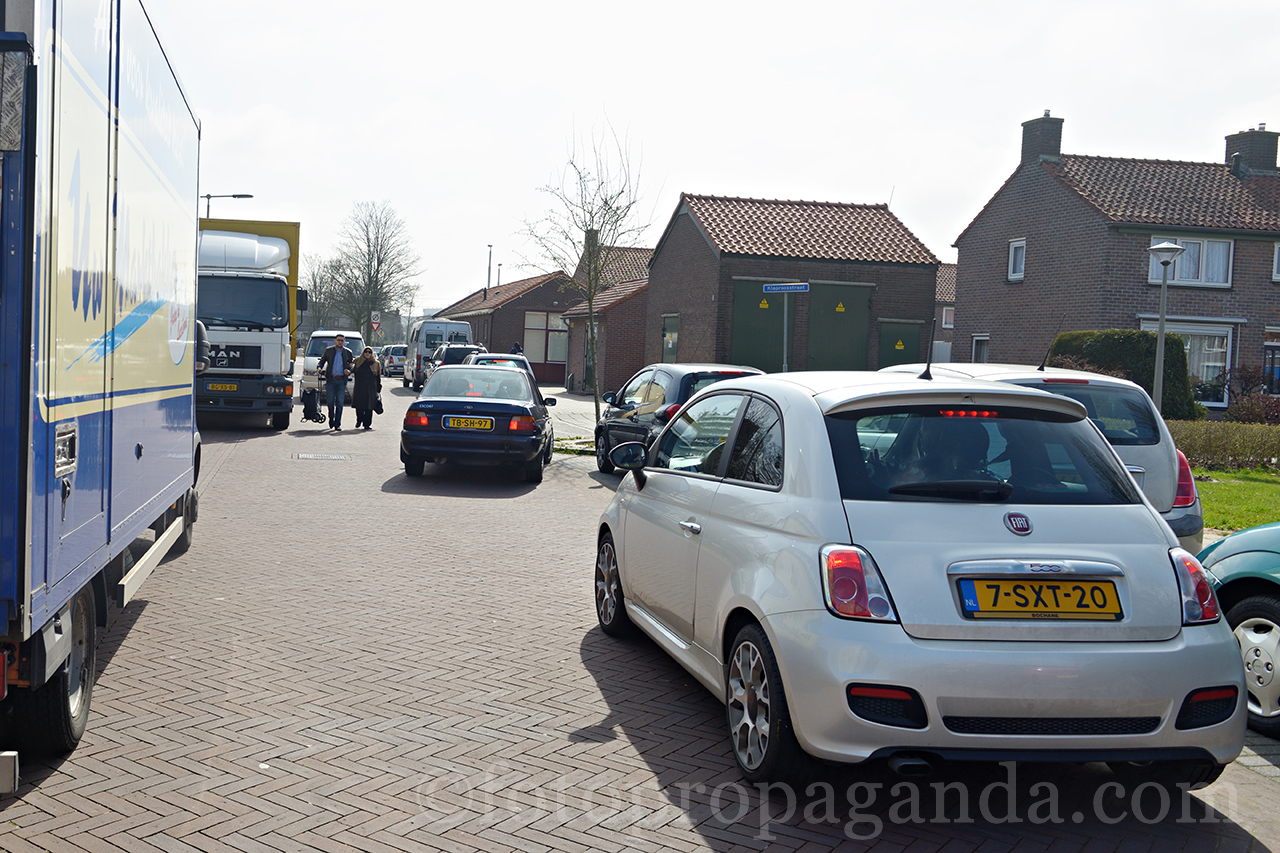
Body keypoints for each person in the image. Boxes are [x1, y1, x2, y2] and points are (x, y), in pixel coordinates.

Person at [316, 334, 354, 430]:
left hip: (341, 380)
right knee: (330, 402)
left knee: (340, 403)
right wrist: (319, 368)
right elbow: (322, 361)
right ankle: (331, 418)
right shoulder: (329, 350)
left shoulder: (348, 352)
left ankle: (337, 424)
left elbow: (352, 364)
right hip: (331, 380)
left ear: (344, 341)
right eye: (338, 340)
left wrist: (349, 370)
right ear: (335, 340)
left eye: (342, 340)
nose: (340, 342)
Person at [351, 346, 382, 430]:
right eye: (366, 352)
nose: (367, 354)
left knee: (369, 407)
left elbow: (378, 376)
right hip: (360, 387)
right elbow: (352, 369)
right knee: (359, 406)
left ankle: (367, 424)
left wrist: (378, 388)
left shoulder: (376, 363)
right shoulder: (358, 361)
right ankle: (359, 420)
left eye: (369, 352)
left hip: (371, 388)